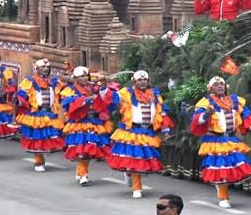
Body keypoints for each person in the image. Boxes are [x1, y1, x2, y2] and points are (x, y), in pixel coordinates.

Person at [190, 76, 251, 208]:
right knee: (221, 169)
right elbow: (197, 121)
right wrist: (207, 114)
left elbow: (247, 116)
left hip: (231, 139)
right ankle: (223, 197)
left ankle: (223, 189)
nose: (220, 86)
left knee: (238, 165)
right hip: (215, 140)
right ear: (210, 88)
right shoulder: (205, 102)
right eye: (216, 84)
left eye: (222, 84)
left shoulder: (235, 101)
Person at [106, 70, 173, 199]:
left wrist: (165, 130)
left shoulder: (154, 95)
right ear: (134, 81)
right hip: (131, 131)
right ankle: (137, 187)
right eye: (139, 80)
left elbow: (162, 113)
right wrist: (105, 88)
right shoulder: (126, 93)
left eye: (145, 80)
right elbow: (113, 99)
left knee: (141, 161)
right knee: (135, 160)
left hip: (148, 132)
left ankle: (130, 174)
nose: (142, 82)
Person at [60, 66, 112, 186]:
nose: (84, 78)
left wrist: (103, 86)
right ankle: (83, 173)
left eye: (85, 76)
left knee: (88, 149)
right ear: (75, 78)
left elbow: (106, 99)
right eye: (81, 76)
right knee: (81, 151)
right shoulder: (70, 90)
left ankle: (82, 170)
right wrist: (87, 99)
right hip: (79, 123)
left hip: (93, 121)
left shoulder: (93, 88)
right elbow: (68, 104)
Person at [15, 59, 65, 172]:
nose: (46, 69)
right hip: (36, 113)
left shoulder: (54, 82)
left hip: (49, 113)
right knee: (37, 137)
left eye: (48, 67)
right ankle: (39, 161)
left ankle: (43, 156)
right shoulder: (30, 81)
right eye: (43, 67)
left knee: (49, 137)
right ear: (36, 69)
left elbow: (64, 90)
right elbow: (22, 94)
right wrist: (20, 99)